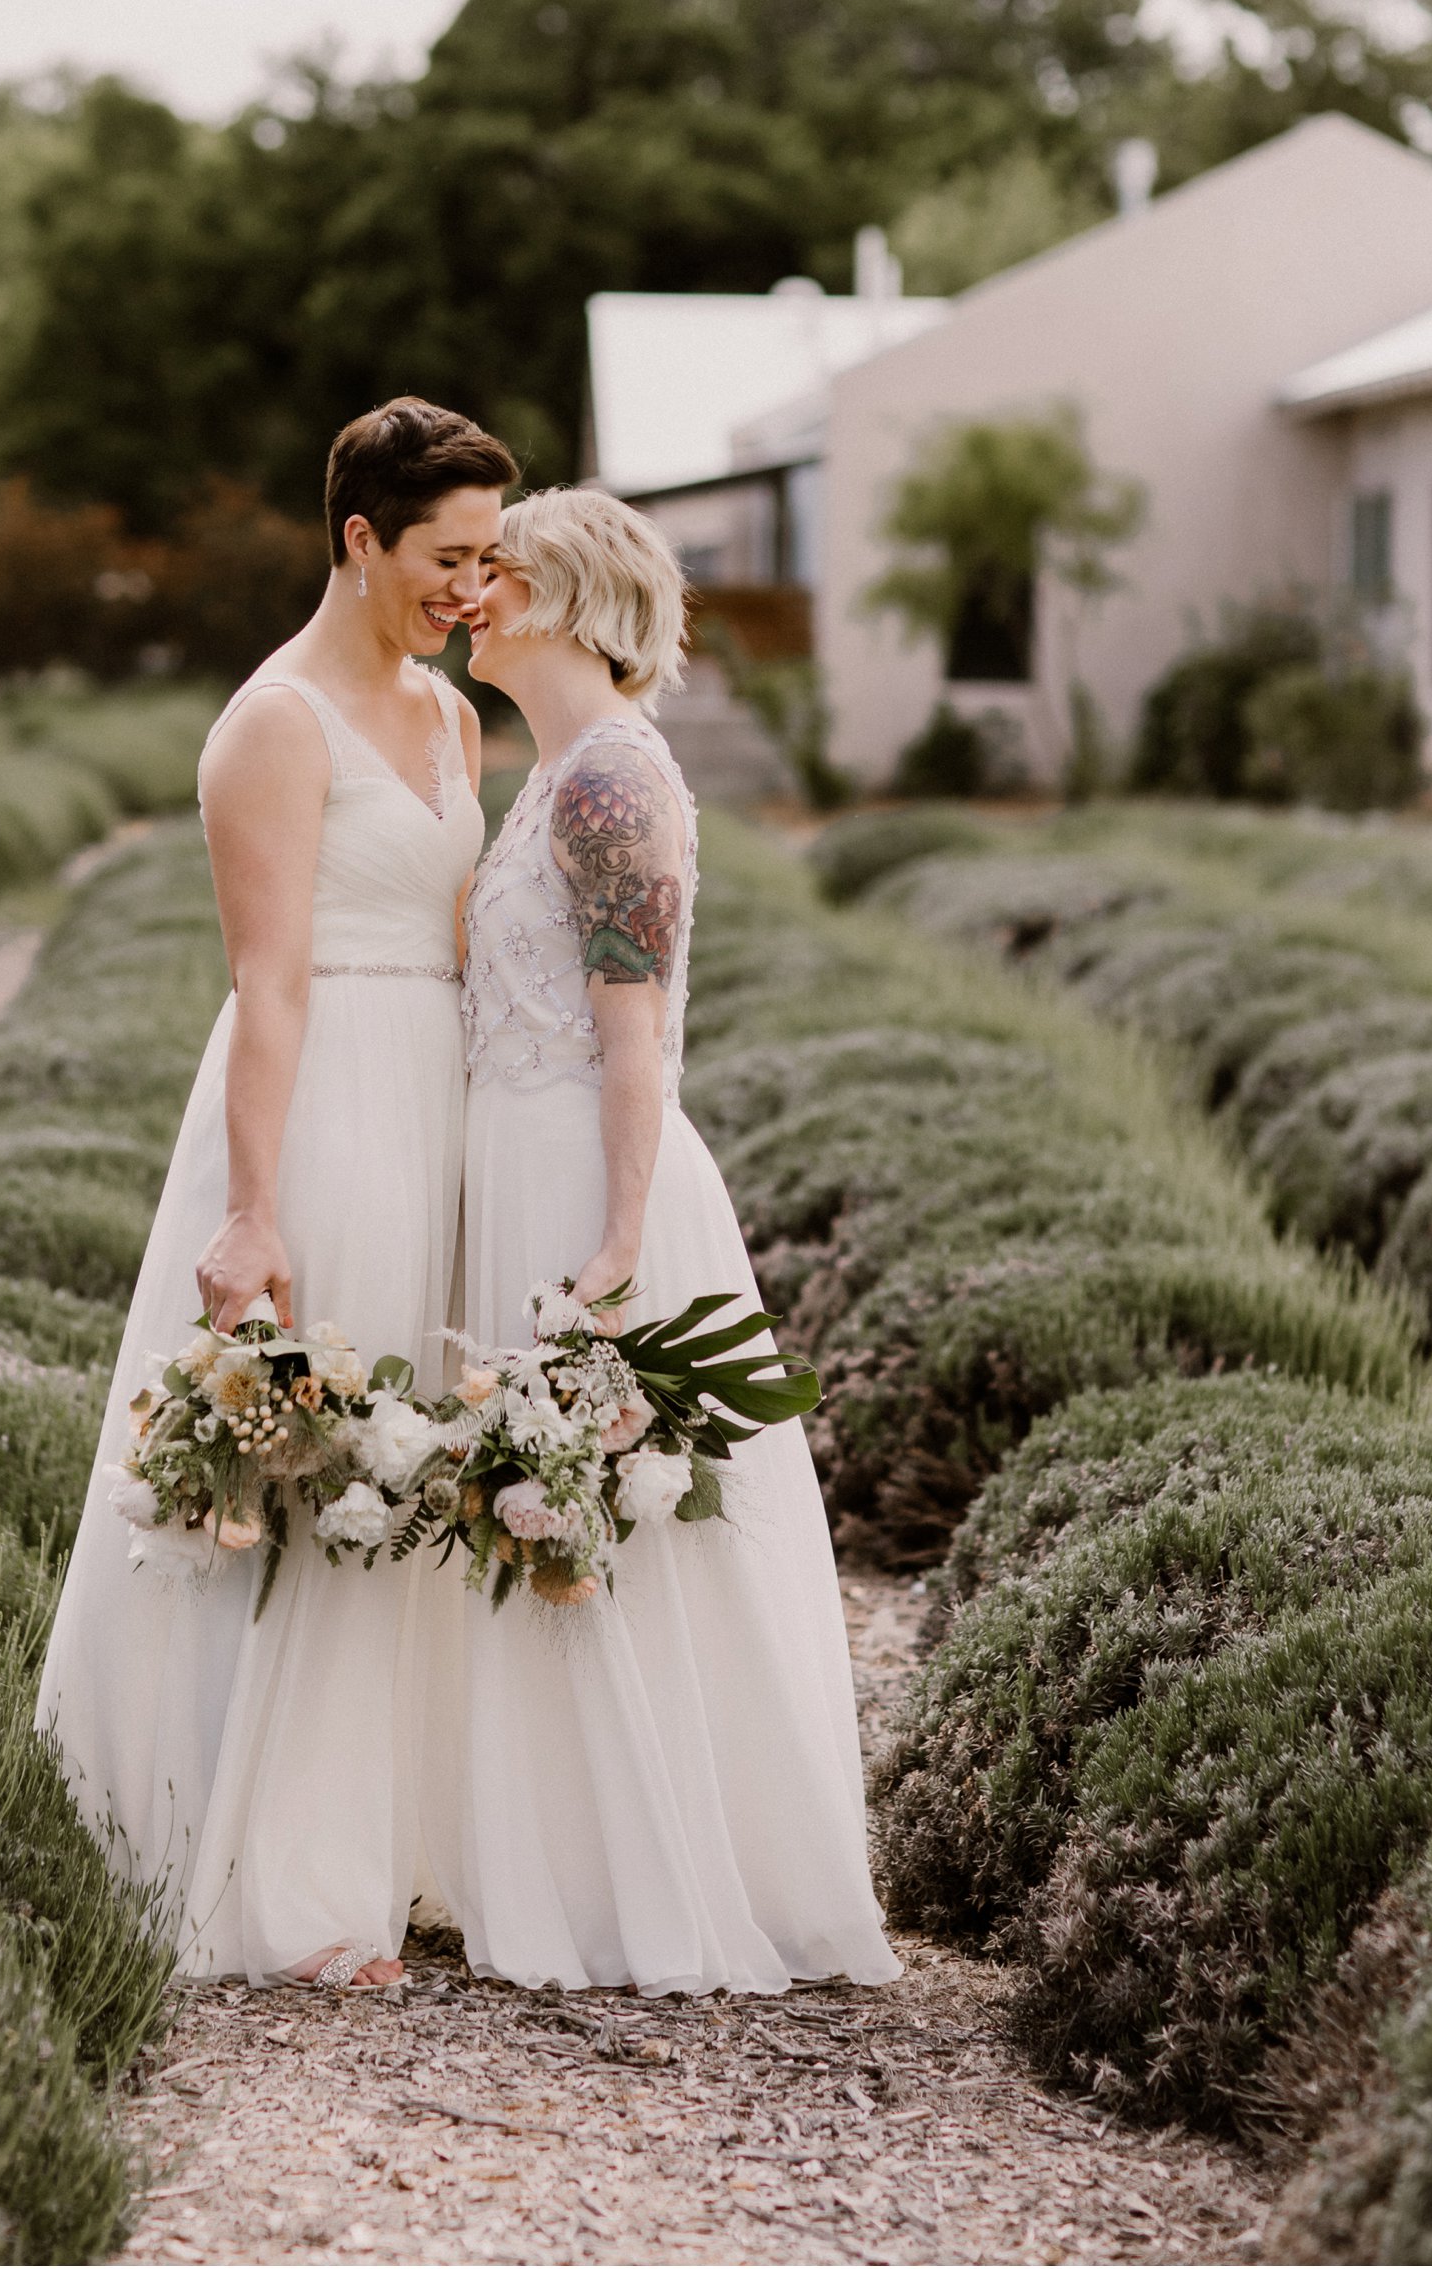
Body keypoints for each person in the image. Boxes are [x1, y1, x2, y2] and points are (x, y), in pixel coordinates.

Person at [36, 398, 515, 1990]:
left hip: (444, 1096)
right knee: (317, 1461)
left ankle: (400, 1838)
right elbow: (269, 984)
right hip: (320, 1111)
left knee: (420, 1460)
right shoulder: (271, 724)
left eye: (492, 556)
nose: (475, 586)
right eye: (450, 555)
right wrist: (253, 1209)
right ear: (360, 536)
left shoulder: (451, 721)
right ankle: (289, 1883)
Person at [431, 486, 898, 1995]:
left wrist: (620, 1239)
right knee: (546, 1514)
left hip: (586, 1175)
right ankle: (562, 1856)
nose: (473, 593)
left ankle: (661, 1873)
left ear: (566, 597)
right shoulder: (555, 770)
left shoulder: (605, 784)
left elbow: (634, 1038)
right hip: (523, 1159)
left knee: (605, 1515)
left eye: (499, 571)